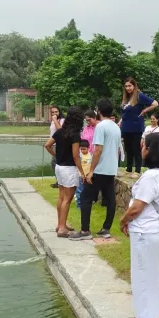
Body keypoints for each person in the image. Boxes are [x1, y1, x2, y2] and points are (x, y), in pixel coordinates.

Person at [119, 133, 159, 318]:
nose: (141, 148)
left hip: (147, 232)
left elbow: (137, 208)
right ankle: (144, 314)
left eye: (144, 145)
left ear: (150, 150)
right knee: (145, 275)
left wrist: (123, 220)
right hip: (154, 231)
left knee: (145, 277)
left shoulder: (152, 176)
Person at [70, 99, 121, 241]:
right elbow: (117, 150)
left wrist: (91, 170)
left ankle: (85, 230)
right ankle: (106, 229)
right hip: (111, 169)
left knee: (85, 197)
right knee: (110, 199)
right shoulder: (116, 127)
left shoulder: (101, 127)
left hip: (100, 170)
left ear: (98, 111)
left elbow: (98, 149)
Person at [44, 106, 85, 238]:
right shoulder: (75, 135)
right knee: (67, 199)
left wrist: (56, 155)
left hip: (59, 167)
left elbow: (47, 145)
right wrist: (82, 172)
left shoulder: (60, 132)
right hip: (69, 169)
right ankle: (62, 228)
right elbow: (75, 156)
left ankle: (60, 224)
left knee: (61, 197)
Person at [119, 78, 159, 177]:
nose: (128, 88)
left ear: (134, 86)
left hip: (136, 128)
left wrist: (145, 110)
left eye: (130, 86)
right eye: (126, 86)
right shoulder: (126, 98)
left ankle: (137, 170)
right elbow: (125, 113)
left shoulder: (139, 96)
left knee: (136, 149)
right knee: (128, 149)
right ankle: (128, 169)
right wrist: (120, 122)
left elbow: (155, 104)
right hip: (126, 128)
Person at [49, 106, 65, 188]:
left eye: (56, 111)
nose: (54, 113)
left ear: (59, 112)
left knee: (55, 162)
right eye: (53, 112)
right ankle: (59, 181)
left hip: (59, 144)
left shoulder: (62, 120)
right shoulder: (52, 121)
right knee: (55, 163)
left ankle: (60, 182)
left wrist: (55, 120)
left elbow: (60, 130)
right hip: (54, 144)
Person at [75, 139, 92, 209]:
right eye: (81, 149)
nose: (82, 151)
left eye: (84, 149)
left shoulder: (91, 156)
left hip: (88, 177)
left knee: (87, 190)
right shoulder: (79, 156)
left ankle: (87, 203)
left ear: (88, 148)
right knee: (79, 191)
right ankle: (79, 204)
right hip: (80, 176)